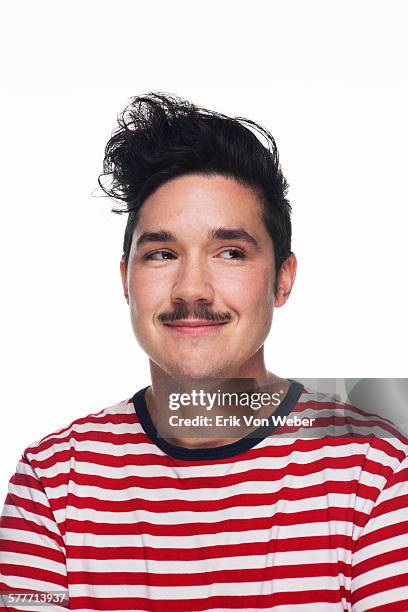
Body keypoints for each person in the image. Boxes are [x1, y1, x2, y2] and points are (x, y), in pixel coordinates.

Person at [0, 93, 407, 612]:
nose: (192, 288)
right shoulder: (53, 481)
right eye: (162, 253)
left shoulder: (376, 473)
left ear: (282, 280)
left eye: (230, 252)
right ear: (126, 279)